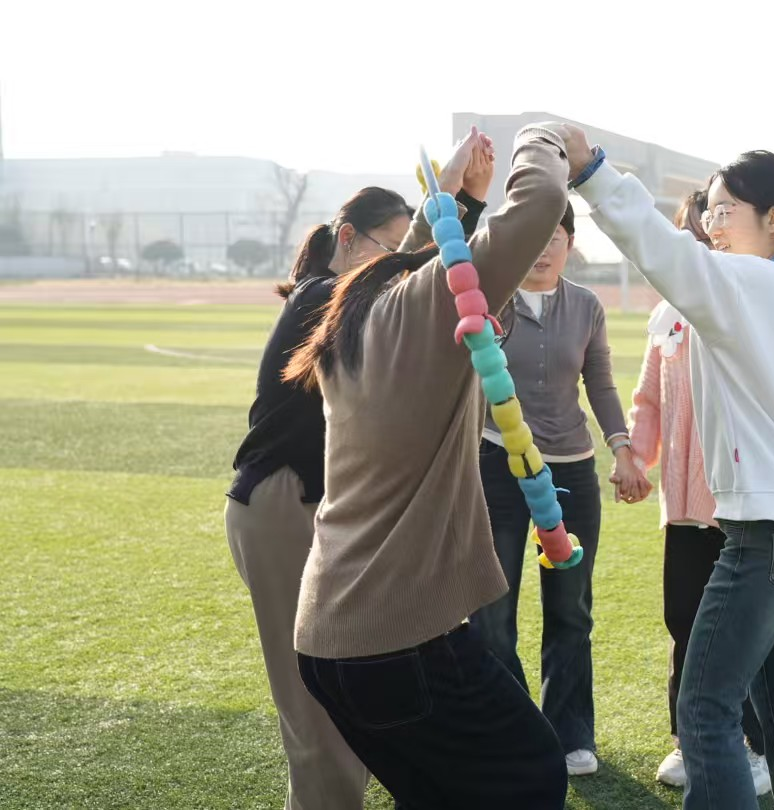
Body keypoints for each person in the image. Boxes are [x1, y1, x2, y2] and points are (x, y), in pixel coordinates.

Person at [564, 123, 774, 810]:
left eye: (725, 210)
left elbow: (665, 253)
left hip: (764, 535)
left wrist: (592, 172)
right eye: (710, 212)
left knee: (705, 706)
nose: (711, 225)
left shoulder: (753, 282)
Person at [282, 124, 574, 809]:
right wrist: (545, 137)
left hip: (332, 638)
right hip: (396, 642)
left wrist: (457, 198)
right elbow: (539, 204)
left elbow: (409, 261)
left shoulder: (356, 315)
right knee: (532, 773)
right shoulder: (427, 304)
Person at [224, 130, 491, 809]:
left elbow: (413, 278)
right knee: (316, 721)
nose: (396, 260)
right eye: (386, 244)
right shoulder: (319, 296)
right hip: (282, 505)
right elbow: (406, 278)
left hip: (322, 512)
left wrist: (461, 206)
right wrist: (452, 203)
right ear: (347, 238)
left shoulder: (357, 298)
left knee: (356, 700)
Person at [471, 198, 652, 777]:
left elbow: (599, 381)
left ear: (571, 244)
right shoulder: (489, 303)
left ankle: (571, 734)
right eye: (536, 235)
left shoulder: (587, 306)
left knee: (571, 609)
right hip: (498, 462)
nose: (545, 248)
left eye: (557, 236)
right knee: (491, 611)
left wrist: (621, 448)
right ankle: (513, 729)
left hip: (570, 471)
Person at [626, 190, 770, 797]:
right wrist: (635, 457)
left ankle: (754, 745)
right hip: (683, 508)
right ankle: (689, 740)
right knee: (684, 621)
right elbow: (648, 401)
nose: (699, 237)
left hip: (740, 505)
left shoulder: (744, 303)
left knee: (739, 630)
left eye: (709, 224)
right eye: (688, 229)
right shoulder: (667, 316)